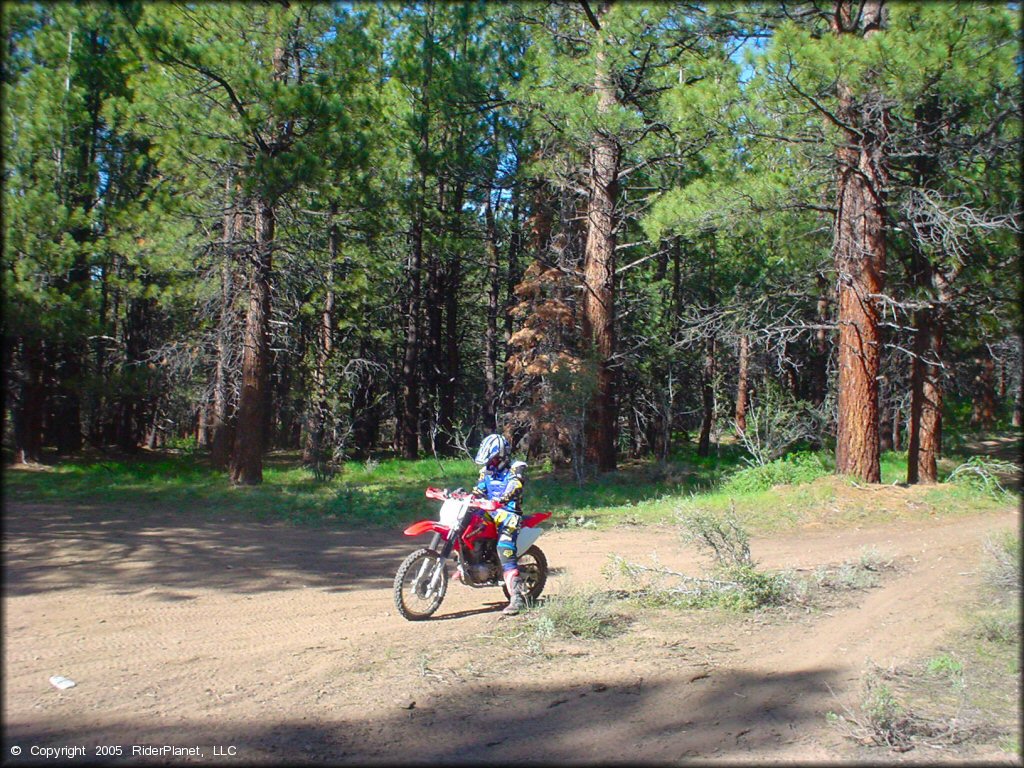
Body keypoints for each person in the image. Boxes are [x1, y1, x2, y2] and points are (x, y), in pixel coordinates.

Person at [472, 434, 529, 615]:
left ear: (502, 455)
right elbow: (480, 489)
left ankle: (517, 597)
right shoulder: (486, 470)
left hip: (508, 513)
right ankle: (470, 562)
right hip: (488, 511)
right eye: (490, 459)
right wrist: (469, 496)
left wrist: (502, 499)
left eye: (494, 459)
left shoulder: (515, 468)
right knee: (469, 528)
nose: (492, 463)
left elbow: (515, 485)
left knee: (504, 548)